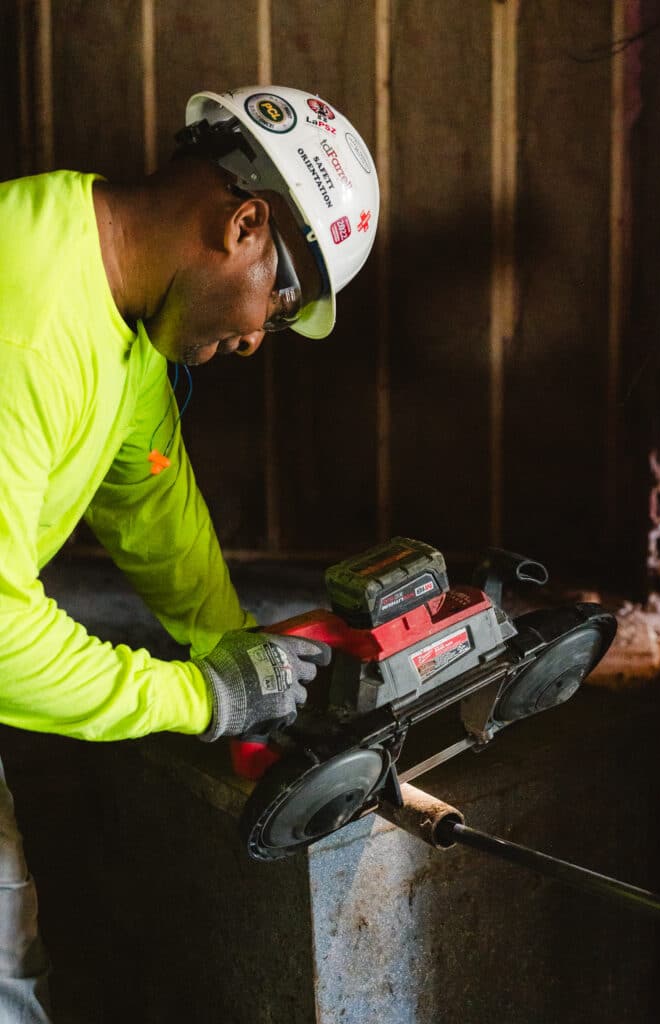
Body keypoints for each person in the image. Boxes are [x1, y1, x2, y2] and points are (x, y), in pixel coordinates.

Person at [0, 85, 379, 1022]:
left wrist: (240, 658)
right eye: (279, 302)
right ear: (244, 223)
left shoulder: (113, 301)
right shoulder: (25, 320)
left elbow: (151, 501)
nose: (256, 338)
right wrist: (200, 695)